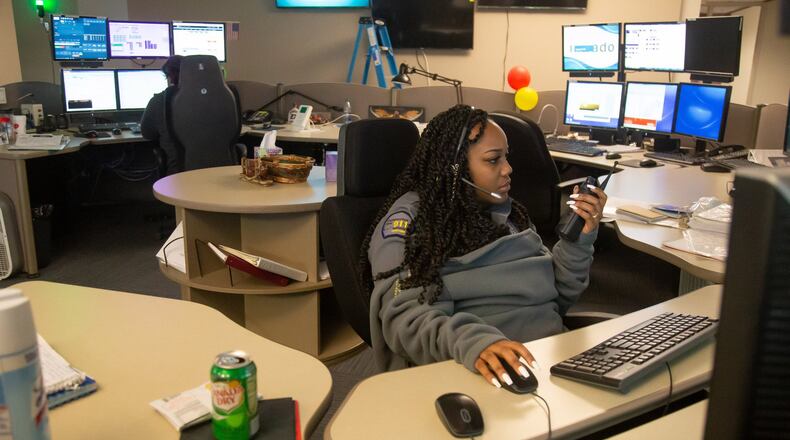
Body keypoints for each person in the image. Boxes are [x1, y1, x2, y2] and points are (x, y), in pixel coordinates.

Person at [361, 105, 608, 389]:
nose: (508, 169)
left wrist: (578, 239)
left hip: (548, 360)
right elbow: (405, 317)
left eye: (506, 156)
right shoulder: (413, 224)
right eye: (493, 160)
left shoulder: (507, 213)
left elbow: (556, 297)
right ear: (455, 168)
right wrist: (477, 344)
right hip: (485, 372)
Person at [141, 55, 183, 175]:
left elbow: (148, 134)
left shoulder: (160, 100)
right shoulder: (220, 98)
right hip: (218, 173)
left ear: (170, 76)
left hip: (179, 175)